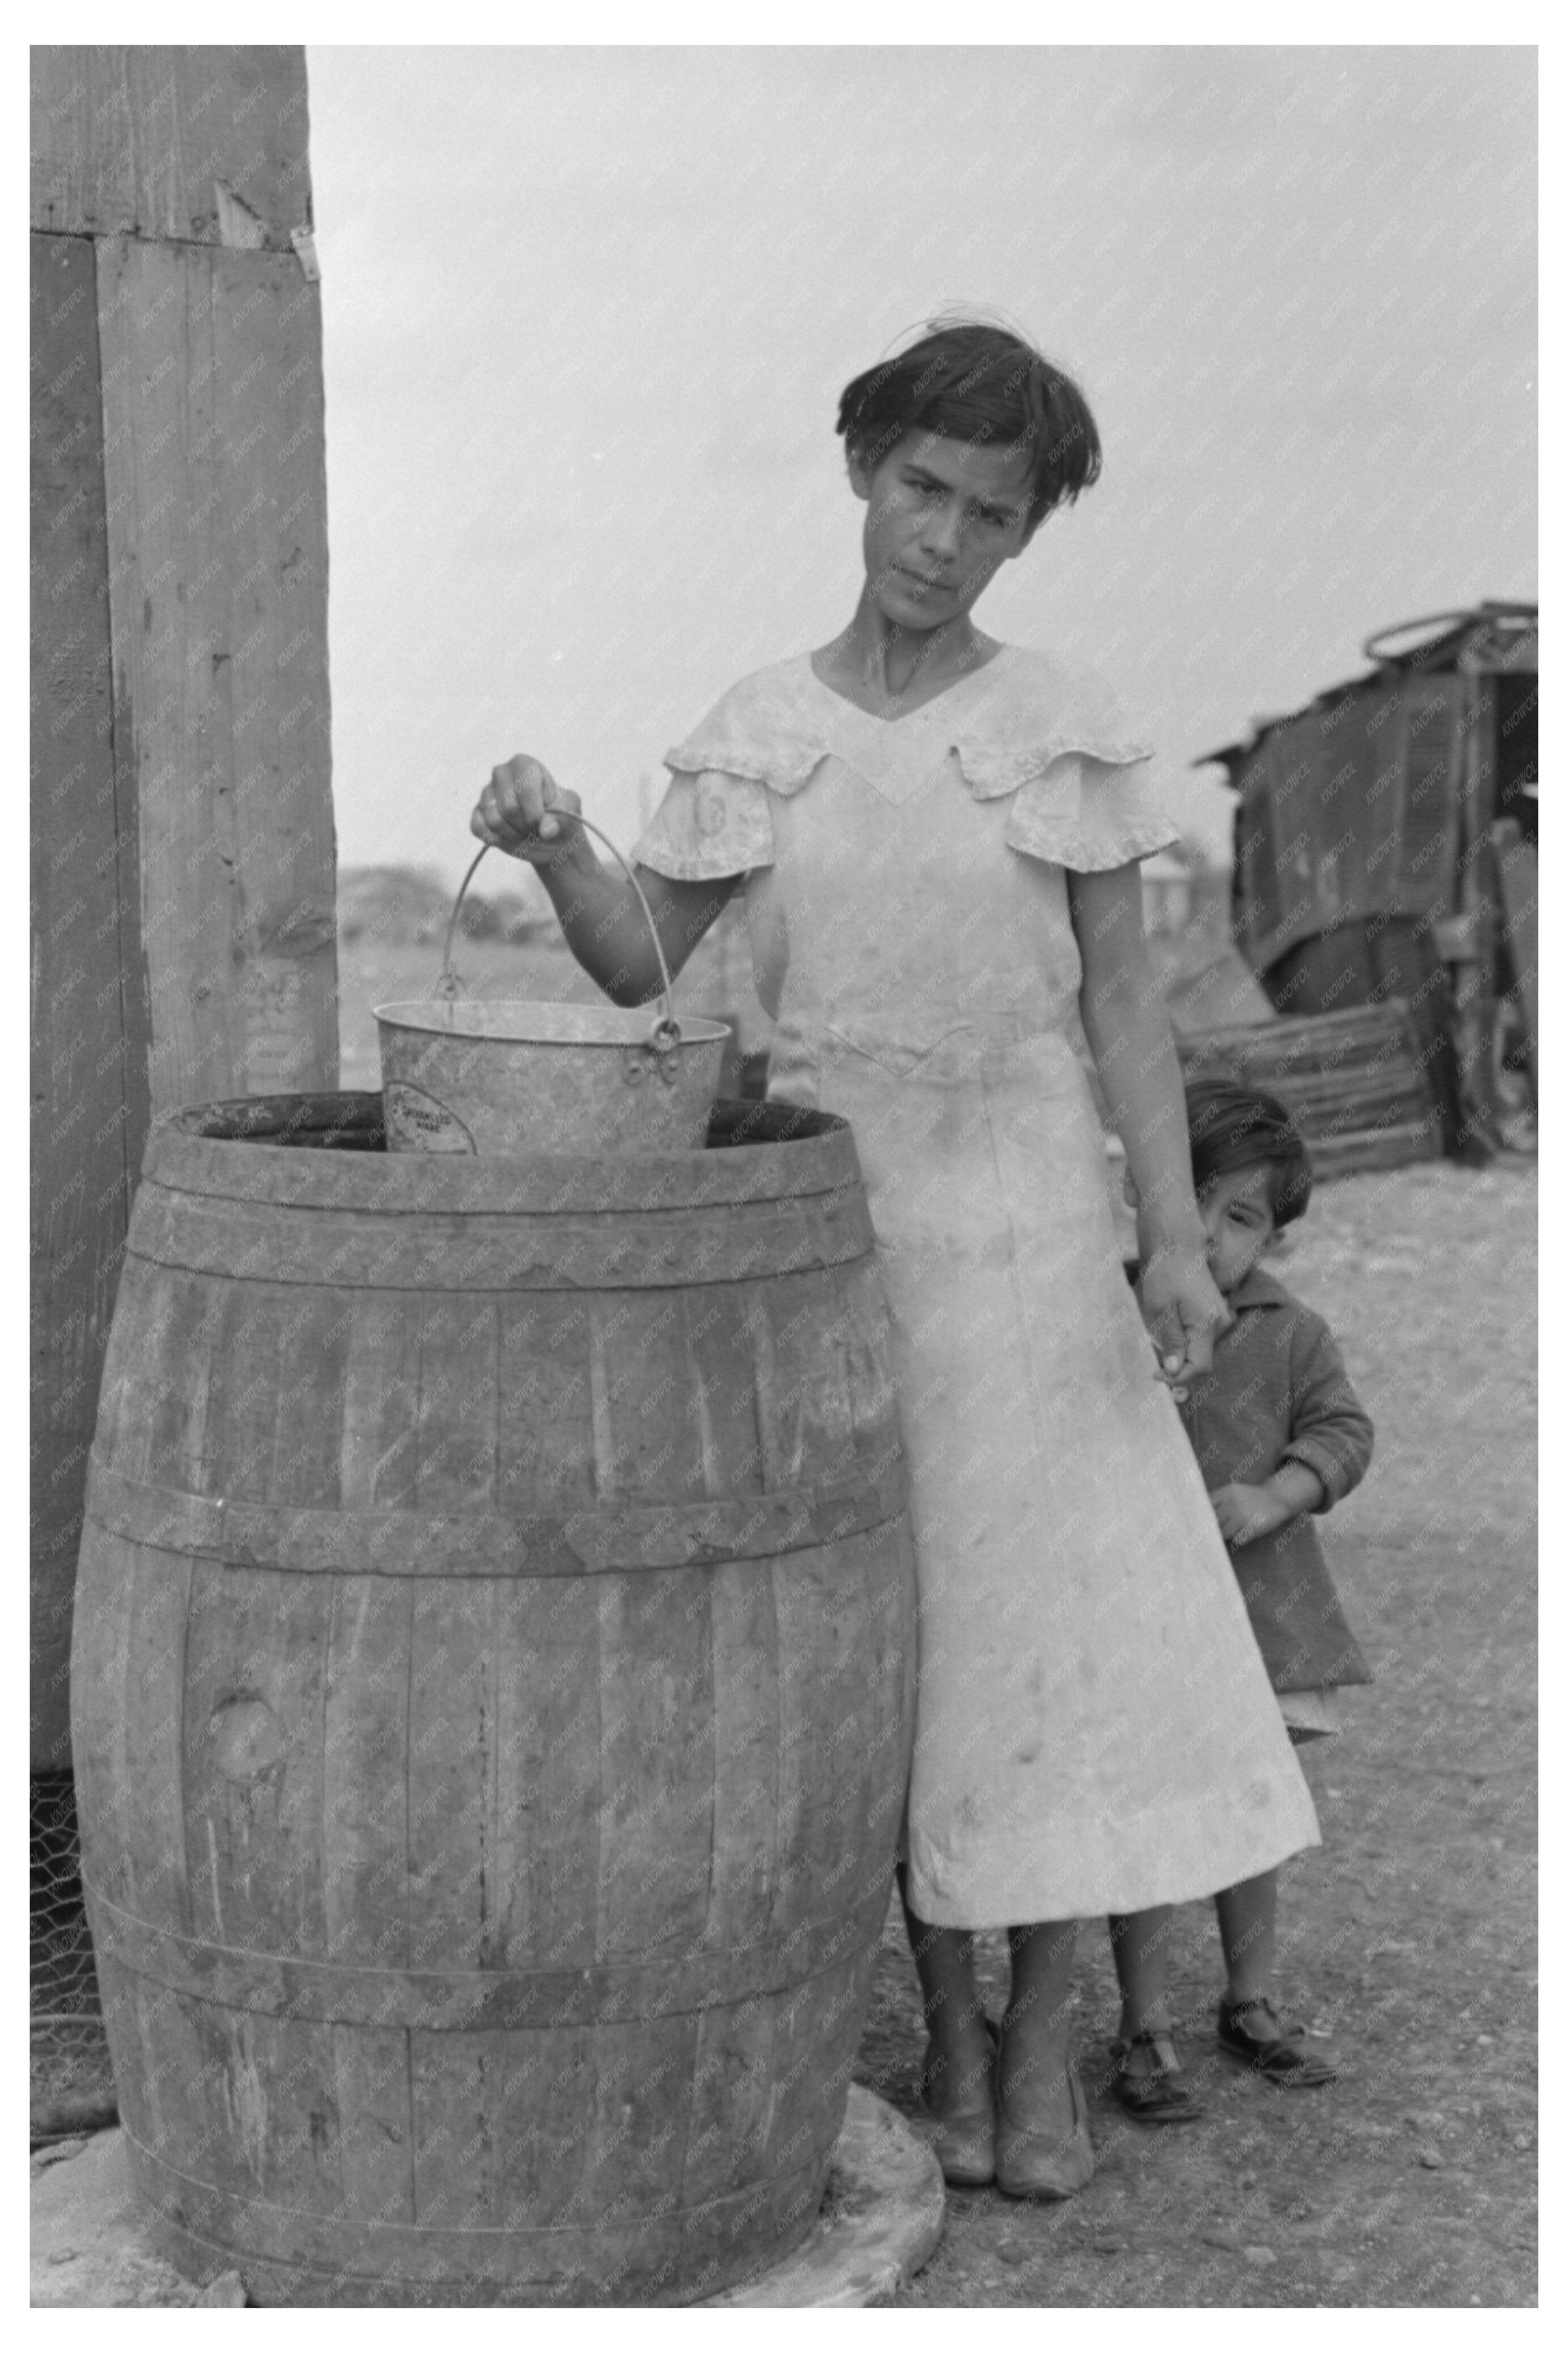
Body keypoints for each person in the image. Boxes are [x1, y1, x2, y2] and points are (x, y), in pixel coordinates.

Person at [470, 316, 1321, 2200]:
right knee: (897, 1652)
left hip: (1026, 1230)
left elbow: (1125, 1010)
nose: (942, 538)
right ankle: (941, 2035)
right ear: (863, 473)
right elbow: (640, 966)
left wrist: (1170, 1245)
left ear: (1027, 536)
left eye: (990, 514)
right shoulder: (761, 730)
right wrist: (548, 843)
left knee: (1048, 1648)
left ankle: (1036, 2050)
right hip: (834, 1243)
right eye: (920, 489)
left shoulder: (1060, 726)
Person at [1175, 1077, 1374, 2088]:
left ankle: (1247, 1998)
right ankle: (1138, 2019)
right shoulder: (1120, 1307)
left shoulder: (1290, 1333)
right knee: (1153, 1805)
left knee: (1252, 1807)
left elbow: (1345, 1431)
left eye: (1242, 1219)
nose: (1211, 1238)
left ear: (1275, 1239)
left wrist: (1276, 1494)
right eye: (1193, 1203)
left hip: (1257, 1616)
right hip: (1150, 1619)